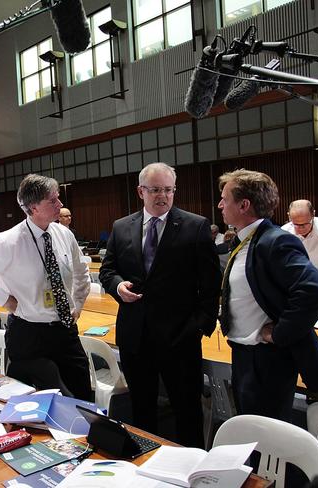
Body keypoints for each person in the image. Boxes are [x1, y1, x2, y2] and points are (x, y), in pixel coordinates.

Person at [99, 162, 221, 448]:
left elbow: (211, 284)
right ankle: (145, 462)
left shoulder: (195, 226)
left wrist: (199, 326)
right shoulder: (121, 226)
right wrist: (117, 285)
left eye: (168, 190)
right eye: (155, 190)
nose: (162, 196)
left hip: (180, 337)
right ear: (141, 191)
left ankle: (191, 467)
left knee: (186, 411)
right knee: (142, 410)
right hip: (136, 336)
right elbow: (108, 270)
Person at [217, 169, 318, 422]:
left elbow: (315, 290)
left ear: (244, 204)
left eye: (225, 199)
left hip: (266, 360)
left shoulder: (275, 241)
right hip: (245, 355)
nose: (220, 204)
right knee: (252, 432)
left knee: (266, 440)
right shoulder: (246, 240)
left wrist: (281, 332)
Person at [0, 174, 91, 400]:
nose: (60, 205)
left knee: (81, 397)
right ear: (33, 208)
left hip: (64, 329)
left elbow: (82, 272)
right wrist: (4, 299)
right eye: (53, 201)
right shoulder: (9, 241)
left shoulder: (64, 234)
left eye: (58, 198)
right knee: (28, 404)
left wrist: (78, 304)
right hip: (29, 334)